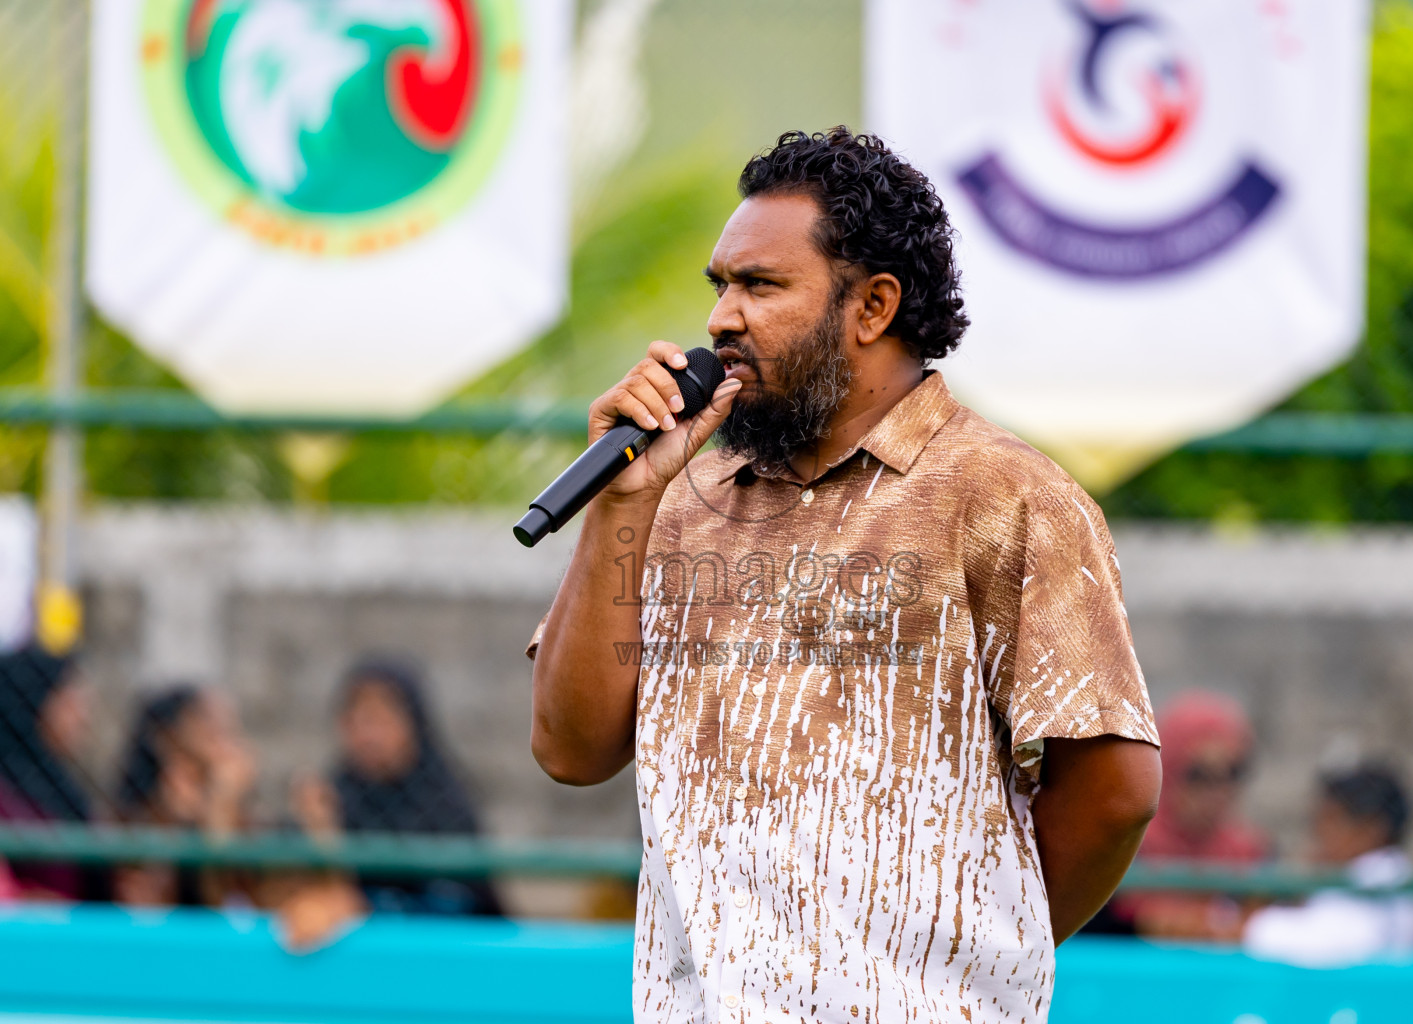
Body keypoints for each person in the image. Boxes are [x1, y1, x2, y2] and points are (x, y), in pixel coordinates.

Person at [527, 128, 1162, 1023]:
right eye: (721, 286)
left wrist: (962, 950)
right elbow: (570, 749)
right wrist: (624, 503)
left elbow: (1115, 792)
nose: (721, 317)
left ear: (872, 307)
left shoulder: (1007, 496)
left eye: (760, 285)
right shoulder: (676, 494)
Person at [294, 657, 502, 916]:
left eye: (381, 719)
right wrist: (323, 836)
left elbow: (468, 905)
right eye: (357, 720)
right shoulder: (331, 800)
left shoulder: (446, 807)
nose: (369, 736)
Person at [1099, 691, 1269, 938]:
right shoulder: (1123, 849)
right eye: (1198, 775)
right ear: (1167, 769)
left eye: (1233, 773)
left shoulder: (1252, 853)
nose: (1218, 792)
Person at [1242, 763, 1413, 966]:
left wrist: (1240, 926)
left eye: (1331, 820)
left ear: (1372, 829)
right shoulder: (1355, 876)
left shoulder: (1384, 877)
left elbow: (1325, 946)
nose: (1319, 833)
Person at [112, 685, 258, 907]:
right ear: (169, 738)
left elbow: (240, 895)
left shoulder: (231, 804)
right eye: (209, 724)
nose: (226, 740)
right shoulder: (140, 817)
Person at [0, 644, 99, 899]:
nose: (83, 717)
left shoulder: (64, 790)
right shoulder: (8, 799)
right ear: (34, 701)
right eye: (68, 701)